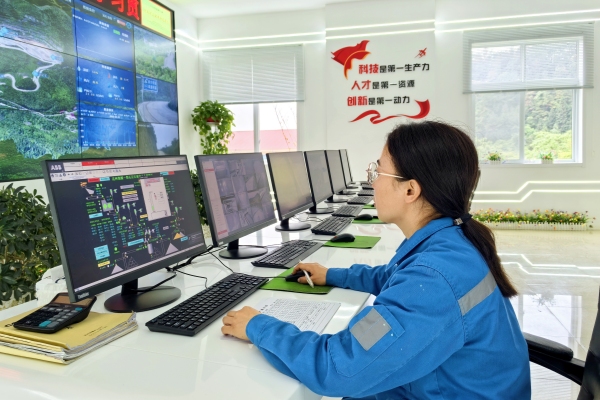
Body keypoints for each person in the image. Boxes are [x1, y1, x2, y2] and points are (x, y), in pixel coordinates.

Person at [221, 121, 531, 399]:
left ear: (410, 190)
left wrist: (258, 327)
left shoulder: (434, 278)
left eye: (378, 172)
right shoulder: (449, 240)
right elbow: (395, 277)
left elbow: (338, 367)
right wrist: (333, 275)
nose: (372, 182)